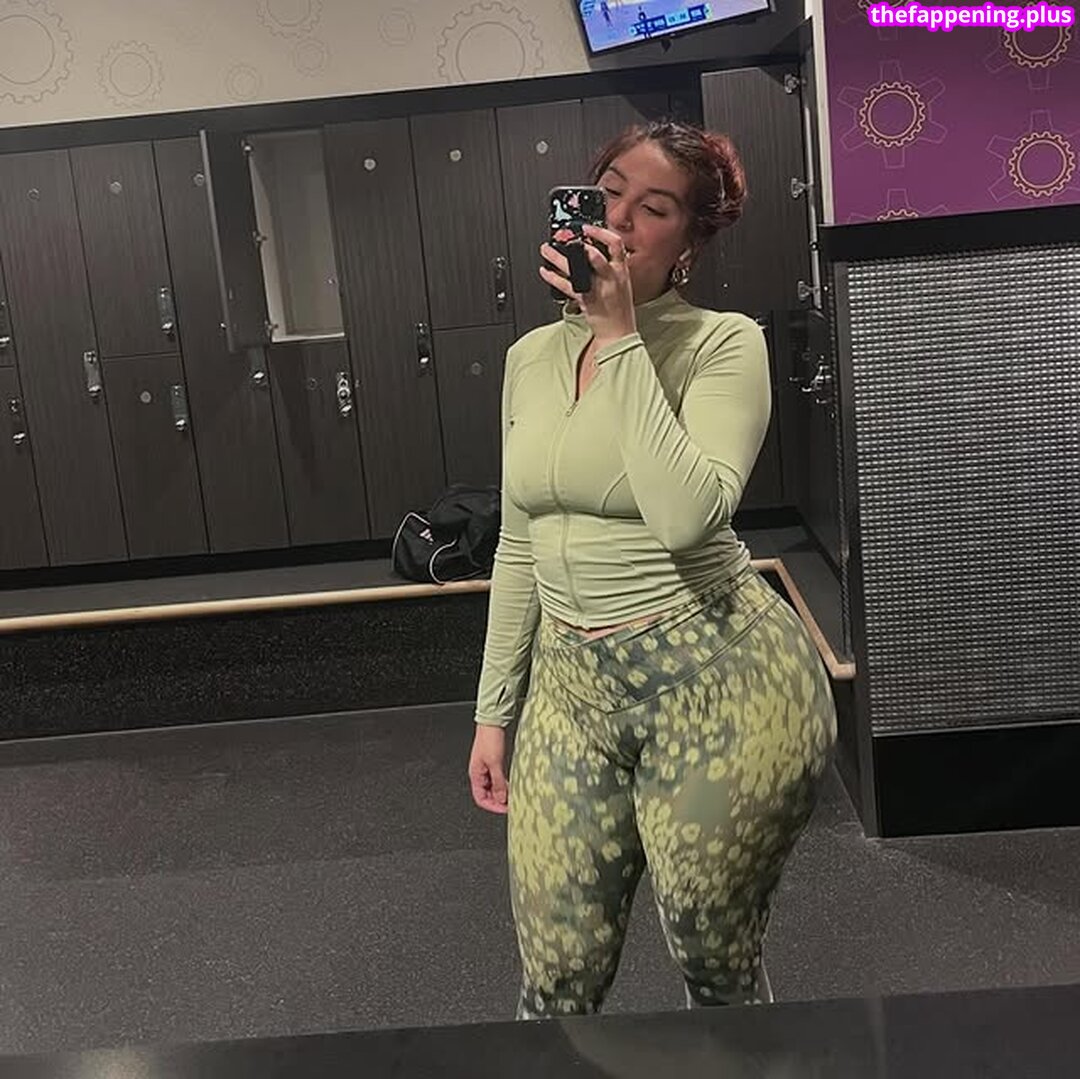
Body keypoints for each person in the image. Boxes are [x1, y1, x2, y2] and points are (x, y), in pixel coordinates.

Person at [466, 118, 837, 1020]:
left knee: (713, 956)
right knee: (556, 969)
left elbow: (685, 515)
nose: (622, 221)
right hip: (571, 690)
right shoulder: (529, 359)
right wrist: (492, 712)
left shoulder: (722, 344)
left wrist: (620, 336)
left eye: (656, 208)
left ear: (691, 241)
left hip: (720, 681)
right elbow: (519, 541)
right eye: (610, 195)